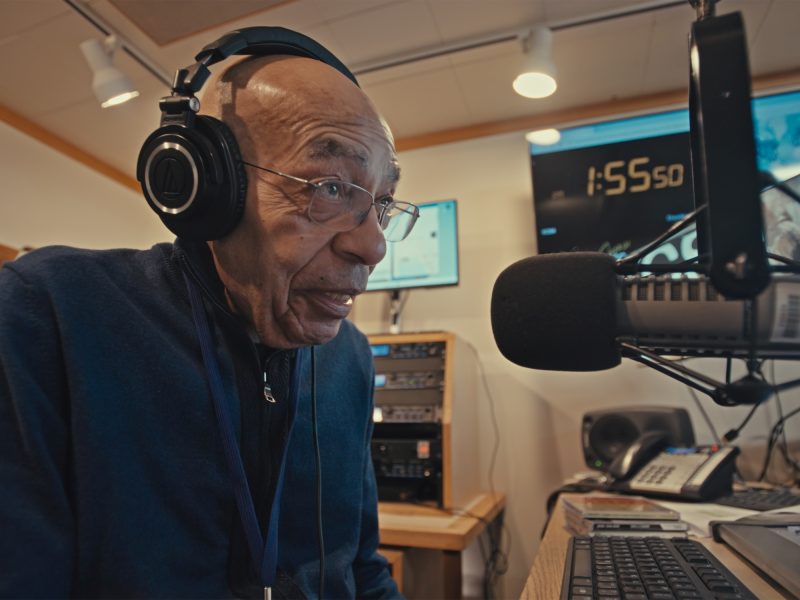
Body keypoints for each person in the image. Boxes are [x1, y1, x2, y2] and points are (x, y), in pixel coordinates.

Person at [0, 30, 418, 599]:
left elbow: (362, 570)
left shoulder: (351, 356)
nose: (373, 247)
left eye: (383, 203)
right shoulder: (50, 313)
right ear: (208, 187)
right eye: (329, 187)